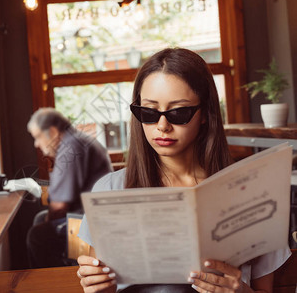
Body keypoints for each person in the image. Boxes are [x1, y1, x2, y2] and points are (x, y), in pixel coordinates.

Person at [76, 48, 291, 293]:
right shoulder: (110, 190)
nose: (162, 126)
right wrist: (98, 288)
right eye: (148, 112)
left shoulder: (253, 193)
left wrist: (240, 291)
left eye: (178, 112)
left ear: (205, 114)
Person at [26, 107, 113, 268]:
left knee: (37, 235)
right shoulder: (77, 140)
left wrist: (48, 221)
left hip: (91, 220)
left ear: (52, 132)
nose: (36, 144)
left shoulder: (70, 148)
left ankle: (55, 284)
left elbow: (59, 206)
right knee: (40, 219)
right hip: (95, 214)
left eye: (37, 137)